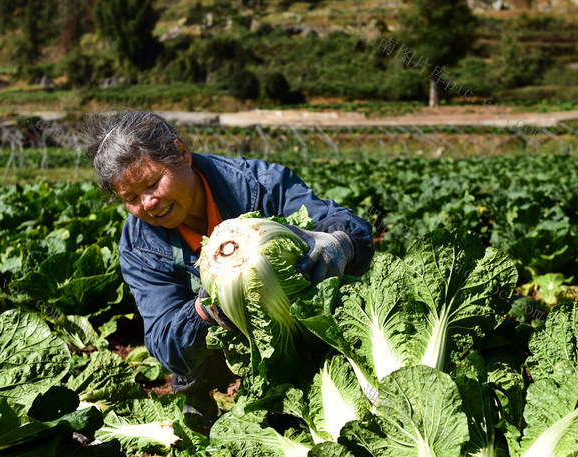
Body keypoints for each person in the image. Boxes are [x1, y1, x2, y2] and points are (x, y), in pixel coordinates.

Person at [78, 111, 374, 420]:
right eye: (131, 198)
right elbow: (163, 342)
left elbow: (350, 227)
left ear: (181, 154)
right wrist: (205, 311)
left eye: (153, 183)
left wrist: (340, 241)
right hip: (227, 354)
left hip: (305, 321)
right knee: (187, 351)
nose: (148, 202)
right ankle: (206, 404)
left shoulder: (261, 184)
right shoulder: (140, 244)